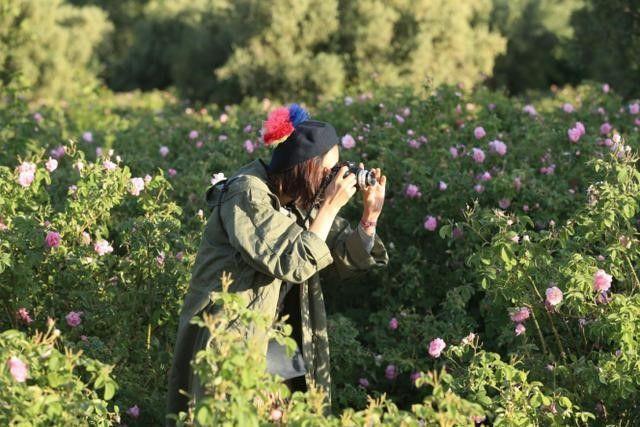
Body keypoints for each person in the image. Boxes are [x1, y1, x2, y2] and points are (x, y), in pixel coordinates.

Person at [165, 104, 389, 425]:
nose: (334, 177)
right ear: (304, 169)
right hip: (233, 338)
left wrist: (369, 219)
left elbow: (341, 254)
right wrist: (328, 206)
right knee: (227, 416)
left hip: (277, 340)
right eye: (328, 171)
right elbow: (293, 260)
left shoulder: (298, 197)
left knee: (286, 416)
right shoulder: (247, 194)